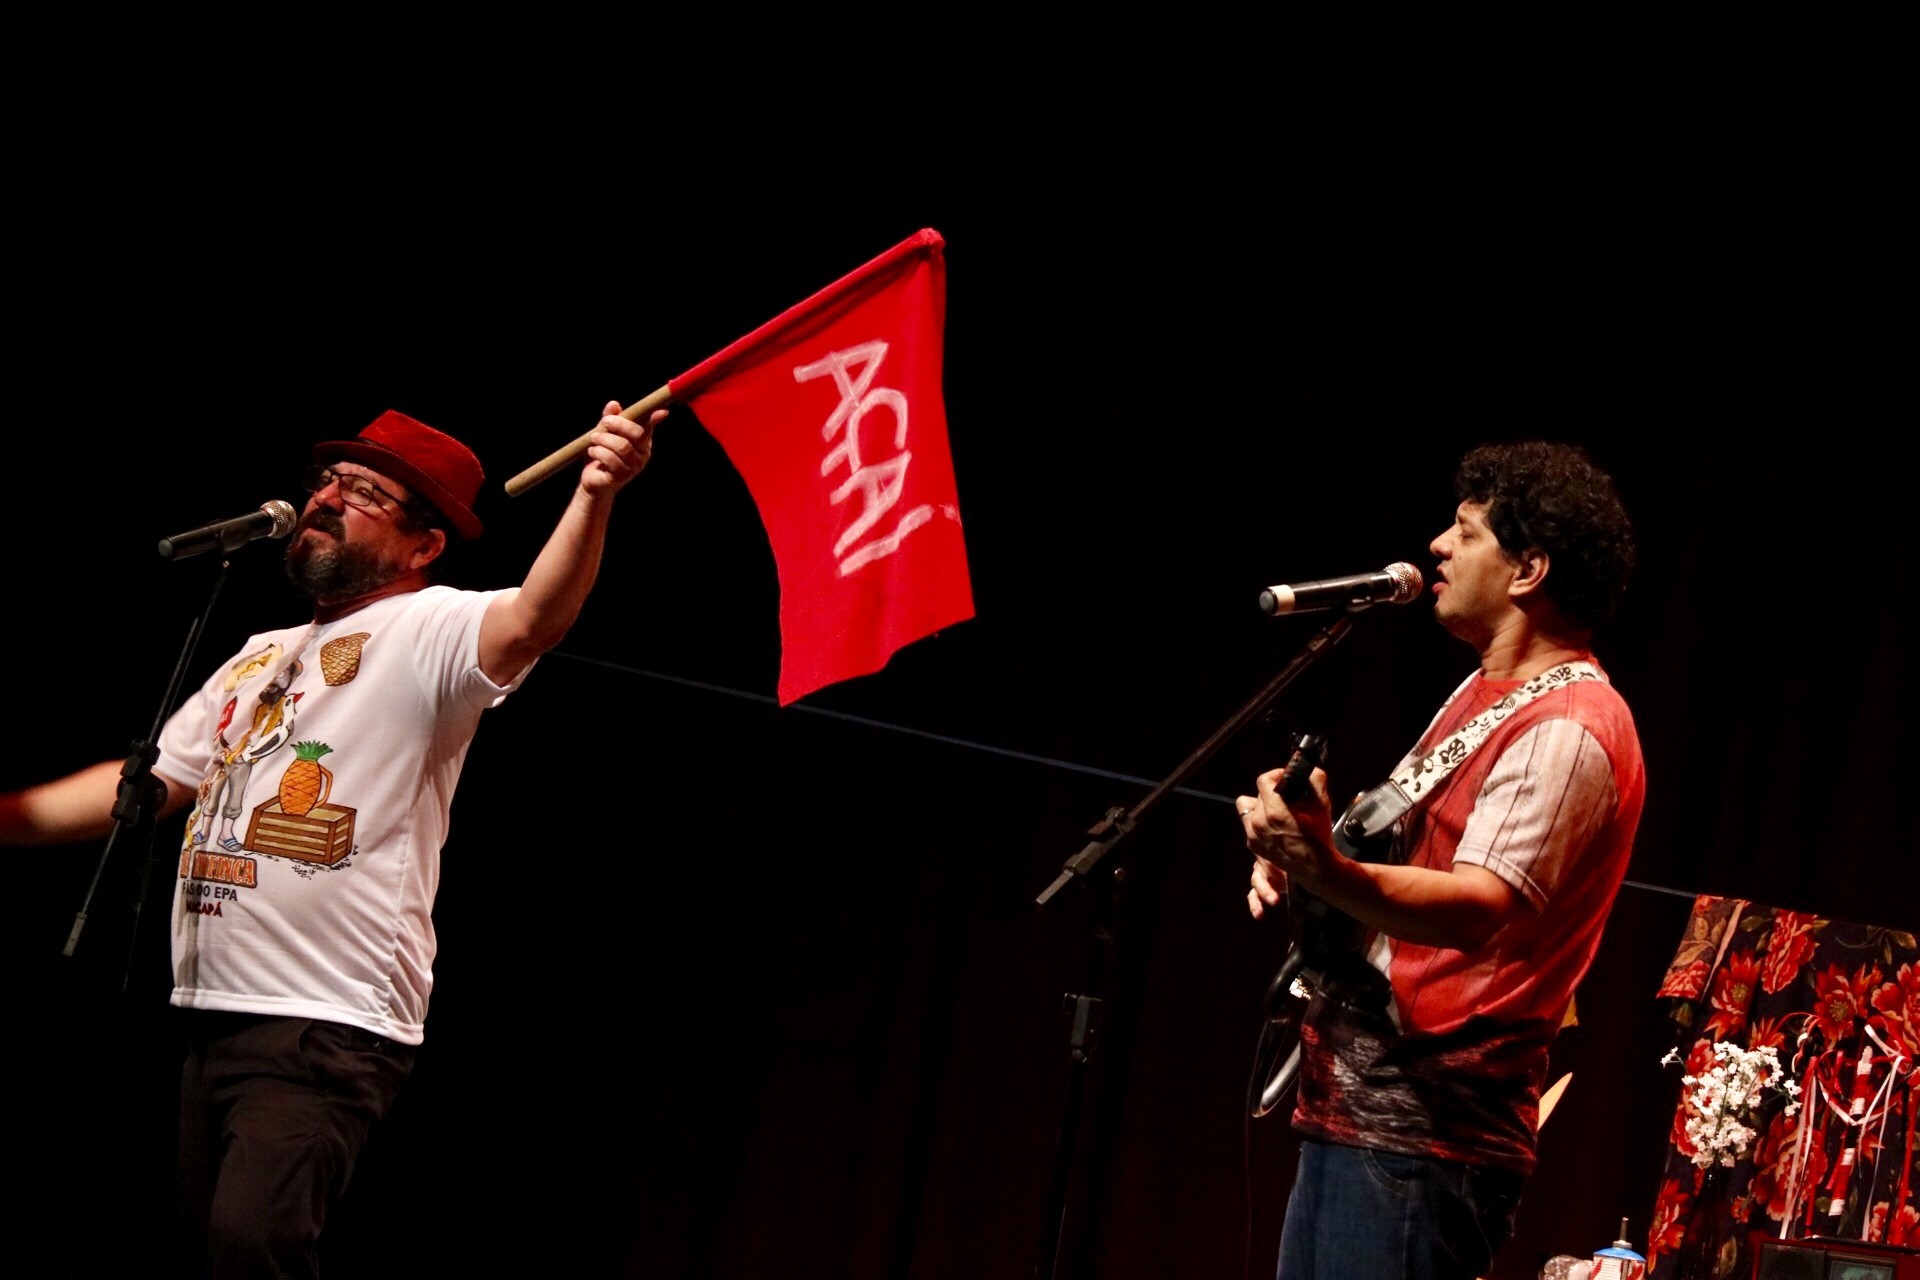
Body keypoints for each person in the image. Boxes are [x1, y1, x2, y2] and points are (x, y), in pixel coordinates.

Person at [0, 400, 660, 1277]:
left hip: (323, 1017)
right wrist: (11, 817)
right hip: (213, 1009)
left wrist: (597, 493)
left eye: (363, 492)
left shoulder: (425, 630)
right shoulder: (259, 651)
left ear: (425, 545)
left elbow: (534, 616)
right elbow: (152, 784)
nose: (326, 498)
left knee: (254, 1247)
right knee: (209, 1255)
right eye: (327, 481)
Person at [1237, 440, 1645, 1280]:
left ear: (1527, 568)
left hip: (1429, 1139)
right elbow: (1407, 857)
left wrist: (1328, 873)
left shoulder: (1569, 726)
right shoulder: (1485, 692)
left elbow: (1476, 907)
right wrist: (1309, 850)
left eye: (1465, 532)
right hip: (1360, 1114)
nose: (1438, 547)